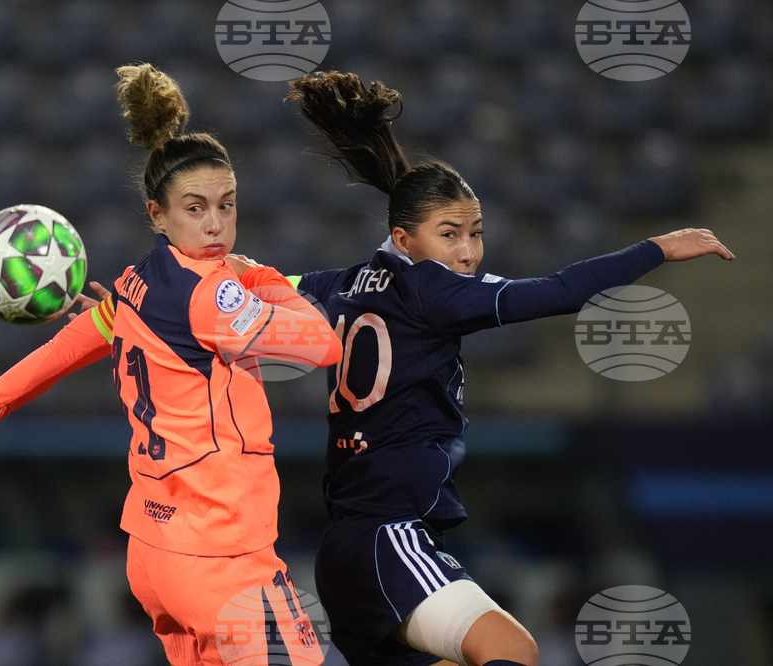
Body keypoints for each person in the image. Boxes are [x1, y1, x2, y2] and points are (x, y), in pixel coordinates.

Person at [0, 63, 341, 666]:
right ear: (157, 214)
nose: (215, 224)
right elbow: (321, 344)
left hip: (154, 553)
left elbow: (62, 350)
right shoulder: (213, 292)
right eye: (195, 208)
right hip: (220, 555)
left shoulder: (133, 285)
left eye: (226, 206)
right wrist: (257, 276)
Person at [281, 71, 734, 666]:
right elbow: (557, 291)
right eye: (450, 235)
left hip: (349, 545)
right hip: (387, 535)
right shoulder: (436, 293)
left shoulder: (341, 285)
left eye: (475, 233)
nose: (468, 251)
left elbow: (275, 288)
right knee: (513, 649)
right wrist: (657, 248)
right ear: (404, 237)